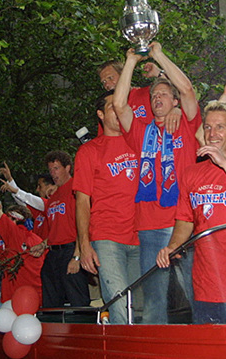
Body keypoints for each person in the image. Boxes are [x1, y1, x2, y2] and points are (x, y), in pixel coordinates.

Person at [156, 101, 226, 324]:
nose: (212, 133)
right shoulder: (191, 173)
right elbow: (185, 219)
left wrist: (225, 164)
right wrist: (172, 247)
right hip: (207, 286)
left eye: (220, 127)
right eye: (208, 127)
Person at [114, 42, 201, 324]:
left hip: (184, 223)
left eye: (164, 94)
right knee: (153, 303)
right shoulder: (140, 133)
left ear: (175, 101)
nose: (158, 98)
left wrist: (158, 55)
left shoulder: (187, 124)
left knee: (197, 293)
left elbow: (187, 90)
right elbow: (119, 105)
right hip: (150, 227)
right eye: (154, 96)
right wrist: (129, 62)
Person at [73, 90, 141, 324]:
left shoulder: (139, 141)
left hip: (143, 236)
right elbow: (82, 201)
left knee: (141, 308)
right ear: (100, 114)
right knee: (121, 306)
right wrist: (84, 245)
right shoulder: (89, 150)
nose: (120, 109)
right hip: (107, 238)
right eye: (113, 106)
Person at [39, 150, 90, 307]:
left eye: (56, 168)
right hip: (53, 252)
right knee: (51, 302)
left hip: (71, 250)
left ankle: (84, 329)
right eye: (50, 170)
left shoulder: (76, 189)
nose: (53, 173)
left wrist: (77, 256)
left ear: (68, 168)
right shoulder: (53, 195)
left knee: (77, 300)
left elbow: (83, 224)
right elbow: (59, 228)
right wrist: (43, 244)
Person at [0, 199, 46, 305]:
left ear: (13, 220)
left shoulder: (13, 234)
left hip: (14, 298)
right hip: (36, 296)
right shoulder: (39, 240)